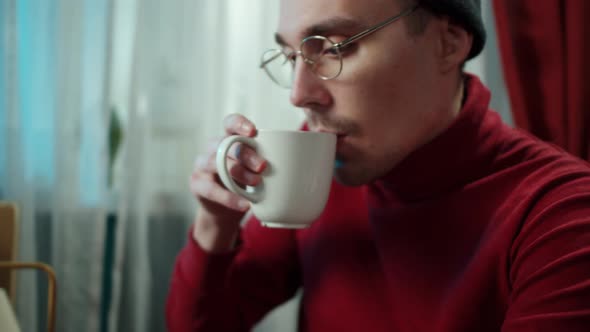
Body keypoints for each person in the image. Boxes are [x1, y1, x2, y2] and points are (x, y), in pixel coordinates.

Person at [166, 0, 590, 330]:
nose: (299, 94)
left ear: (448, 43)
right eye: (293, 57)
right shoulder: (317, 169)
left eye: (334, 48)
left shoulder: (562, 214)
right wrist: (215, 224)